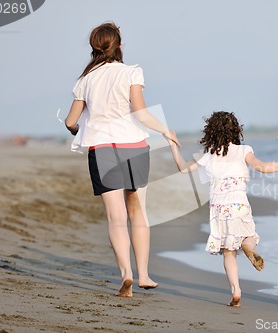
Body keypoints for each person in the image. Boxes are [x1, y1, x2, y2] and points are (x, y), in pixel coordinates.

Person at [64, 22, 178, 297]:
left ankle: (125, 274)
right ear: (119, 46)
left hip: (101, 149)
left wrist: (77, 130)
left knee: (115, 218)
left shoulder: (85, 80)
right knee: (138, 214)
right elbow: (140, 113)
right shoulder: (131, 72)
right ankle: (144, 275)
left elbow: (70, 121)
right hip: (134, 147)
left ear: (94, 48)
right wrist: (165, 130)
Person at [165, 111, 278, 307]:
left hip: (218, 209)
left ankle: (236, 291)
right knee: (249, 236)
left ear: (210, 132)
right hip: (239, 204)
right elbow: (263, 167)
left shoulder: (209, 154)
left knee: (228, 251)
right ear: (236, 131)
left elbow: (183, 168)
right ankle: (249, 248)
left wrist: (173, 144)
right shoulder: (243, 150)